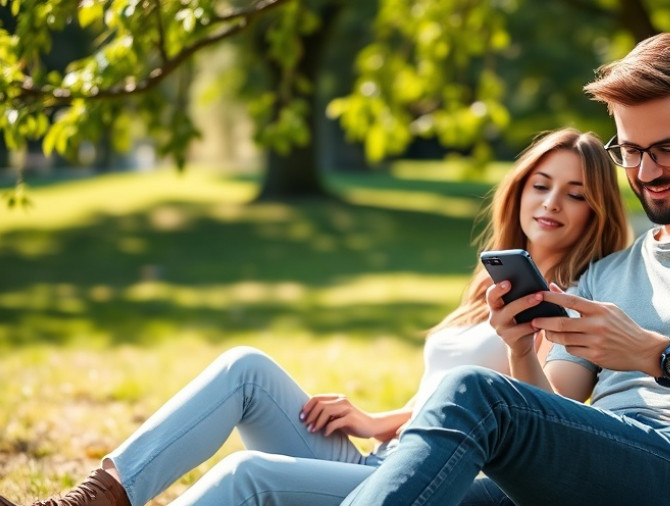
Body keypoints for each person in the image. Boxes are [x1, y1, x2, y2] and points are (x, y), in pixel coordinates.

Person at [0, 127, 630, 506]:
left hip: (438, 488)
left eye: (575, 194)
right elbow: (450, 398)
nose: (552, 203)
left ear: (597, 212)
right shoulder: (494, 280)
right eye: (542, 184)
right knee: (246, 368)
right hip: (388, 460)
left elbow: (554, 426)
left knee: (247, 475)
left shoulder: (580, 303)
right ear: (519, 189)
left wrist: (525, 346)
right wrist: (378, 419)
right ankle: (94, 499)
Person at [338, 32, 670, 506]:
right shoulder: (607, 273)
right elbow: (550, 418)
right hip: (605, 467)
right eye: (631, 151)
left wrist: (654, 353)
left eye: (667, 150)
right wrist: (519, 351)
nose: (645, 173)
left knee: (473, 389)